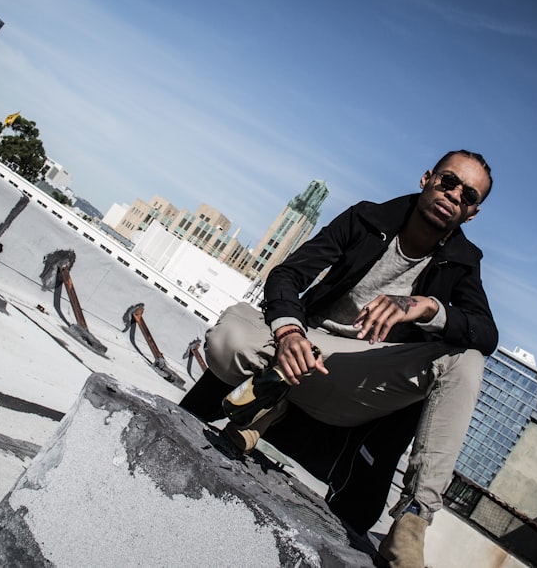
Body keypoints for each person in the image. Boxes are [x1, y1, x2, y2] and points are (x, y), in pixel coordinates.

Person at [191, 150, 497, 567]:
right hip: (297, 348)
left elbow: (485, 332)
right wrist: (289, 332)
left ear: (472, 213)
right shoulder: (368, 219)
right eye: (448, 181)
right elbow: (288, 274)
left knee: (467, 361)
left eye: (468, 195)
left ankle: (412, 520)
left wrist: (426, 307)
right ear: (427, 178)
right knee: (232, 335)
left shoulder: (463, 262)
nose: (454, 195)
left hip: (355, 378)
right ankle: (270, 402)